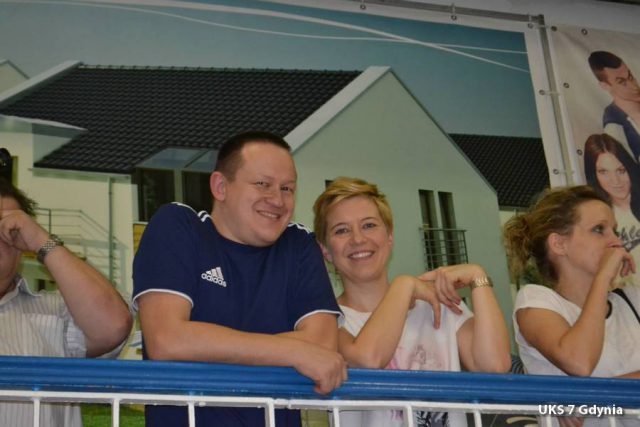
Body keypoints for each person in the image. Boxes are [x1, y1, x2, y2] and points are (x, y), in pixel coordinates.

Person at [133, 131, 347, 427]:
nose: (277, 200)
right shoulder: (180, 227)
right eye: (263, 184)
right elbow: (167, 340)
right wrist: (294, 350)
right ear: (220, 186)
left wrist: (204, 342)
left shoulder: (298, 244)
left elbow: (322, 345)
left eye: (287, 188)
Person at [312, 177, 510, 427]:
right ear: (325, 250)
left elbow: (495, 366)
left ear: (390, 236)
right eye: (341, 230)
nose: (358, 239)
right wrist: (403, 285)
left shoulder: (437, 303)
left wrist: (477, 276)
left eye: (369, 225)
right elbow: (369, 359)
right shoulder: (325, 319)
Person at [0, 178, 133, 427]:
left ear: (20, 245)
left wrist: (41, 241)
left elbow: (113, 325)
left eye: (5, 227)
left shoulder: (57, 313)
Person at [505, 185, 640, 427]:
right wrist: (603, 278)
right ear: (559, 244)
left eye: (615, 231)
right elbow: (579, 362)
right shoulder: (536, 301)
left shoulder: (632, 300)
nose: (616, 242)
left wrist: (591, 398)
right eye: (599, 230)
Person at [584, 133, 640, 273]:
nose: (615, 181)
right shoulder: (595, 221)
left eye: (621, 170)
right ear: (594, 175)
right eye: (604, 172)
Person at [588, 51, 640, 162]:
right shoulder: (614, 125)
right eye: (622, 82)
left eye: (630, 77)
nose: (634, 86)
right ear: (605, 86)